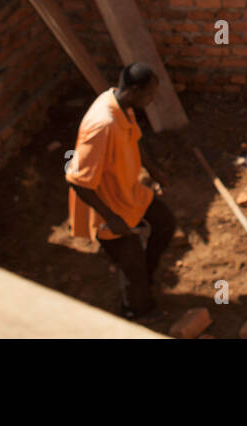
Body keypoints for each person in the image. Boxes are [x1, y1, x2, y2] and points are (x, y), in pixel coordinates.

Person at [65, 62, 177, 318]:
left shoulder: (123, 106)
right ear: (136, 90)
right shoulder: (102, 125)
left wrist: (155, 171)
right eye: (150, 94)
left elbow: (134, 140)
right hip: (105, 206)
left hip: (127, 191)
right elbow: (77, 181)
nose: (152, 100)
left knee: (165, 223)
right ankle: (135, 311)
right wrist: (112, 218)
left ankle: (145, 277)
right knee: (131, 265)